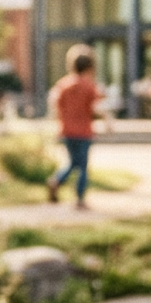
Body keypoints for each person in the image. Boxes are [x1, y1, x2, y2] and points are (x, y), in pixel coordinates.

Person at [46, 45, 107, 209]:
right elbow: (97, 107)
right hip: (84, 132)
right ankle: (80, 199)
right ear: (89, 67)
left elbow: (54, 103)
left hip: (66, 130)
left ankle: (56, 180)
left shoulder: (63, 85)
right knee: (83, 166)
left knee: (73, 163)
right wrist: (107, 120)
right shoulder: (89, 86)